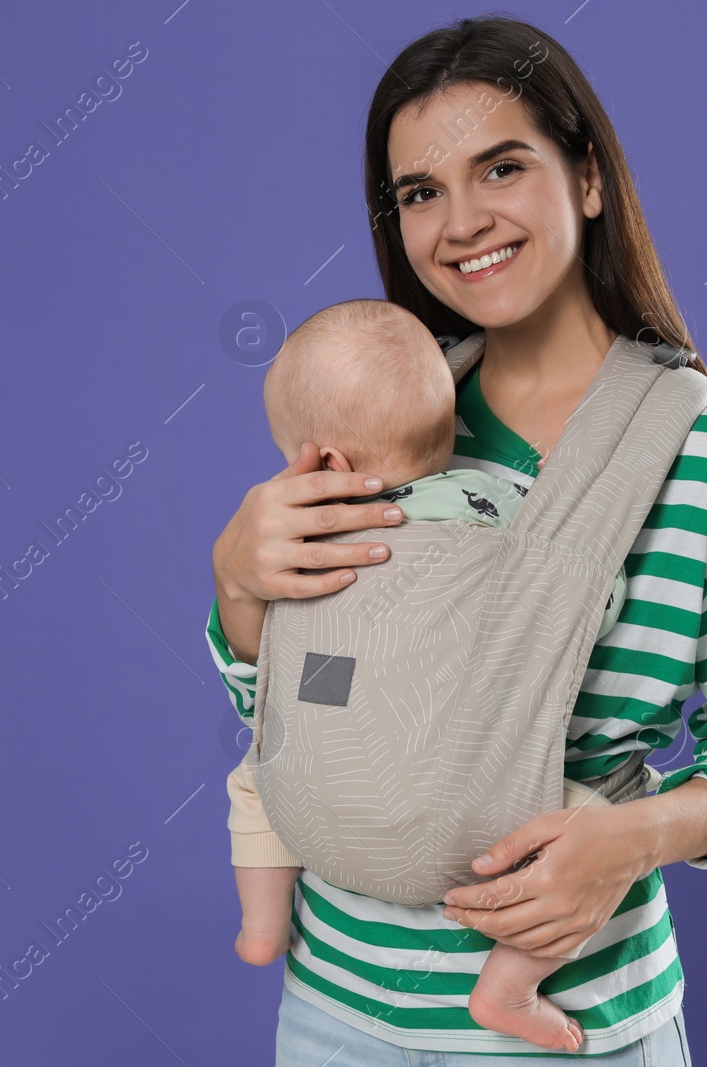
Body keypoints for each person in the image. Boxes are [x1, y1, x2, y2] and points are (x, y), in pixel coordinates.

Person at [205, 14, 707, 1062]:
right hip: (332, 1008)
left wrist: (632, 836)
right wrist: (239, 593)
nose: (460, 222)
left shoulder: (705, 460)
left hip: (569, 1027)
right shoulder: (369, 430)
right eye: (420, 192)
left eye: (500, 167)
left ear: (587, 177)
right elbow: (305, 710)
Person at [225, 296, 632, 1052]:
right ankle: (508, 986)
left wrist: (242, 586)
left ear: (326, 466)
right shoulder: (506, 506)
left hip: (334, 786)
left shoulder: (314, 542)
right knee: (596, 818)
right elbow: (589, 599)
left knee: (256, 777)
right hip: (484, 810)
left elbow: (274, 693)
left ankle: (260, 922)